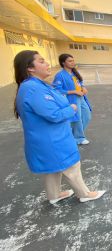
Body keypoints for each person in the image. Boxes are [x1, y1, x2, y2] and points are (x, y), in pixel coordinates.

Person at [14, 50, 105, 204]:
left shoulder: (36, 85)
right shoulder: (33, 89)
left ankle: (54, 195)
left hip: (48, 137)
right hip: (52, 138)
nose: (47, 64)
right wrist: (72, 109)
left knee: (52, 167)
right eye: (42, 61)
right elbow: (54, 114)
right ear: (30, 68)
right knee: (71, 166)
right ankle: (84, 193)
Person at [53, 54, 92, 145]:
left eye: (73, 60)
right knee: (77, 118)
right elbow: (57, 90)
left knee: (87, 115)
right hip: (72, 99)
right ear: (63, 63)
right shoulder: (60, 75)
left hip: (81, 97)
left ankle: (74, 134)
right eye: (70, 61)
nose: (73, 62)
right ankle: (79, 138)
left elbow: (80, 83)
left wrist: (83, 87)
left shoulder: (74, 73)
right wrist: (73, 91)